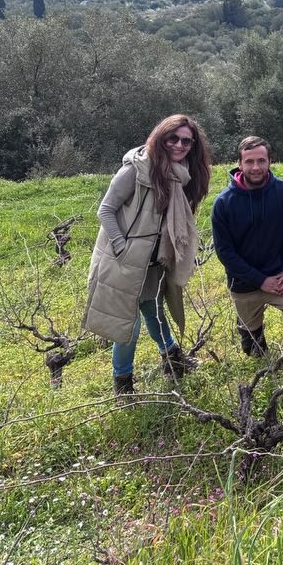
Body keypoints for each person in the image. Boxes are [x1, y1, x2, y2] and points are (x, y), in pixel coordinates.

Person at [84, 114, 212, 395]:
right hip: (125, 261)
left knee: (153, 309)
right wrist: (121, 246)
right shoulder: (136, 170)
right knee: (127, 325)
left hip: (155, 261)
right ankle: (123, 385)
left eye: (186, 141)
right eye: (173, 138)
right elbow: (105, 209)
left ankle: (172, 359)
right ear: (160, 137)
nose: (179, 145)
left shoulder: (182, 175)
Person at [211, 136, 283, 358]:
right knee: (253, 349)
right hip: (243, 283)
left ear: (270, 161)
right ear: (239, 164)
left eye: (261, 160)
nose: (256, 167)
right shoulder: (224, 202)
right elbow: (225, 252)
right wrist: (260, 281)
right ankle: (261, 361)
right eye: (249, 162)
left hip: (280, 277)